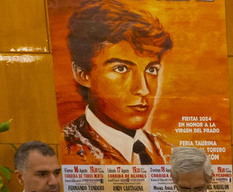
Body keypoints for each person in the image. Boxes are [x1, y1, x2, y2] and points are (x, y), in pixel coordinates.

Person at [61, 0, 173, 165]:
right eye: (121, 69)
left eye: (151, 70)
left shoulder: (168, 152)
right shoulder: (66, 149)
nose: (143, 89)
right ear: (83, 74)